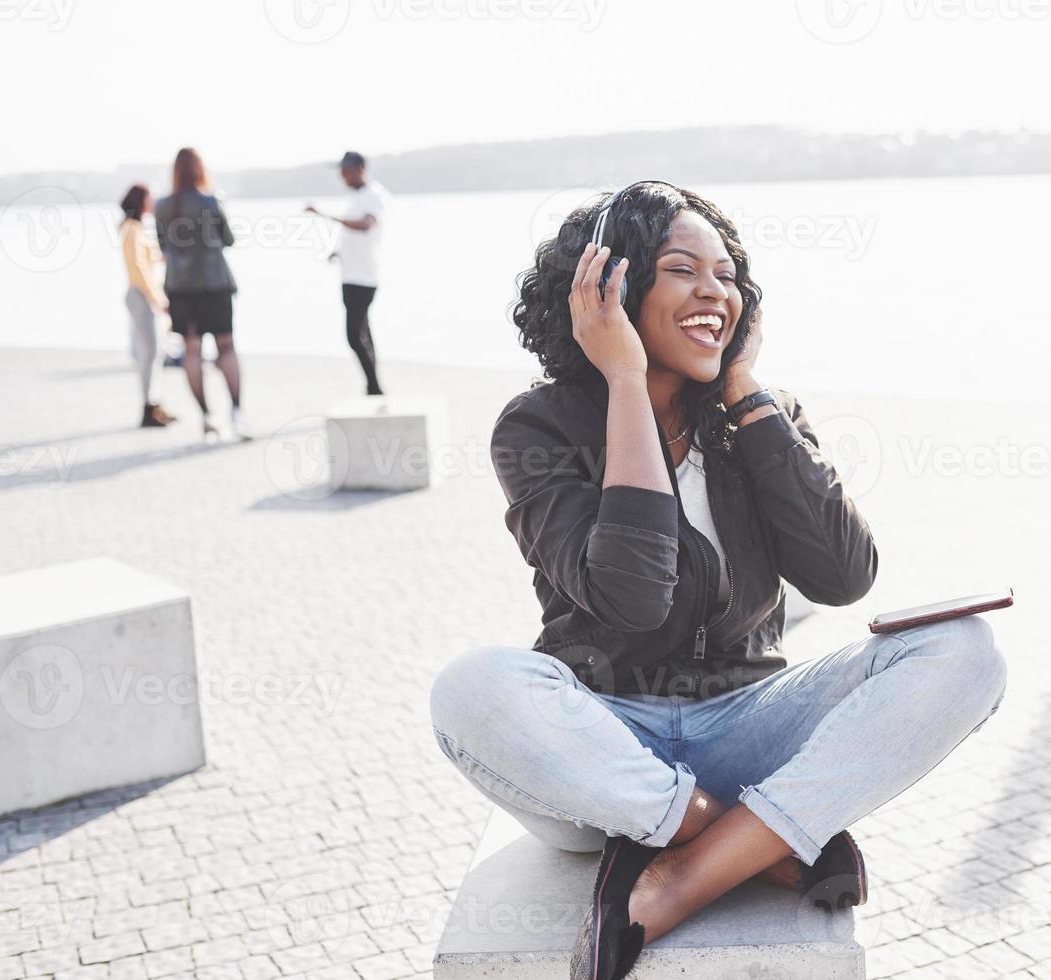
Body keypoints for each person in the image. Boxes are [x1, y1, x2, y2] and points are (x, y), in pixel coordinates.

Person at [427, 181, 1009, 980]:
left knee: (960, 650)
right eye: (681, 269)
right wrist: (627, 385)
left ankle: (683, 874)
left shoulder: (760, 415)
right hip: (603, 750)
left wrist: (743, 393)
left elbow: (843, 577)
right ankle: (750, 842)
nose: (713, 292)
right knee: (472, 687)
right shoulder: (539, 426)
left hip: (747, 722)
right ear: (612, 285)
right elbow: (631, 598)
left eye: (727, 275)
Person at [154, 147, 249, 441]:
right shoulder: (210, 201)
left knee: (191, 350)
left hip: (181, 288)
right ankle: (236, 411)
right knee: (226, 347)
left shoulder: (162, 205)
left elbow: (162, 247)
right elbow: (229, 239)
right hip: (214, 284)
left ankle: (207, 416)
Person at [305, 150, 386, 395]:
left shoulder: (373, 195)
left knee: (354, 336)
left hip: (363, 278)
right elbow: (354, 234)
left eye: (347, 171)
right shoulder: (354, 197)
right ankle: (373, 386)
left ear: (361, 168)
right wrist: (338, 253)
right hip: (350, 275)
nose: (343, 176)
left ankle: (374, 387)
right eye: (341, 171)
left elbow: (365, 225)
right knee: (364, 335)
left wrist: (323, 215)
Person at [118, 184, 176, 428]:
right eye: (149, 198)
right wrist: (157, 299)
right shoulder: (131, 229)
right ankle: (148, 406)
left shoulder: (140, 228)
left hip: (147, 294)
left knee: (155, 351)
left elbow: (150, 261)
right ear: (141, 201)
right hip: (141, 295)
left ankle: (154, 402)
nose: (153, 202)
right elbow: (138, 268)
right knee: (149, 352)